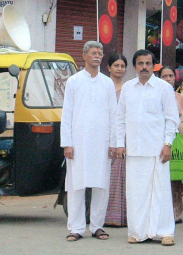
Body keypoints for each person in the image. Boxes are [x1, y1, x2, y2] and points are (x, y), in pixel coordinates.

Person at [116, 49, 178, 246]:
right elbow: (120, 118)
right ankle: (137, 232)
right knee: (136, 193)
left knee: (161, 191)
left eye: (148, 63)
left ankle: (165, 232)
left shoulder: (163, 88)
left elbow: (171, 119)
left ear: (154, 66)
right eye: (140, 63)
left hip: (157, 149)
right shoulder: (128, 88)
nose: (144, 67)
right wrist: (120, 144)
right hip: (134, 149)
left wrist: (168, 144)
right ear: (135, 67)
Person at [61, 41, 117, 241]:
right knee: (76, 185)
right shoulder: (74, 81)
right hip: (78, 143)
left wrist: (113, 142)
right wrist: (67, 143)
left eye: (100, 53)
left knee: (101, 185)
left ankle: (97, 227)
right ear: (84, 55)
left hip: (102, 143)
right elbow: (66, 114)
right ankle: (76, 228)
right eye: (93, 52)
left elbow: (114, 115)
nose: (97, 56)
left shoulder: (107, 83)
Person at [158, 66, 183, 224]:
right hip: (158, 139)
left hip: (177, 138)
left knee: (175, 179)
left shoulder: (182, 98)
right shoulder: (155, 95)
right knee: (159, 176)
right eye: (164, 76)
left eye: (170, 75)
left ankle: (176, 213)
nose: (168, 78)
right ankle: (160, 212)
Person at [105, 53, 128, 227]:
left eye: (122, 66)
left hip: (124, 137)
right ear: (109, 67)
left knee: (124, 176)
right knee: (107, 176)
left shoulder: (128, 89)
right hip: (104, 136)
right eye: (116, 65)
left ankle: (125, 216)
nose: (119, 69)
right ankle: (105, 216)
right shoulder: (103, 87)